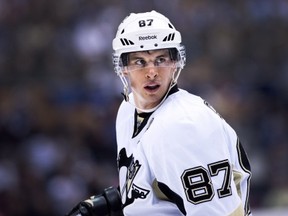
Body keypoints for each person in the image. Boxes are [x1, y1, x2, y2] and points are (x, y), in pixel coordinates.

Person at [66, 10, 252, 216]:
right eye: (139, 61)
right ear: (123, 67)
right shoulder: (129, 110)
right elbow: (164, 184)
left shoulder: (184, 125)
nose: (152, 72)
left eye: (160, 59)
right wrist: (112, 201)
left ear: (175, 63)